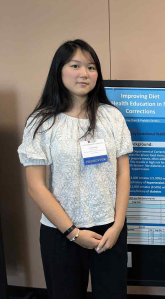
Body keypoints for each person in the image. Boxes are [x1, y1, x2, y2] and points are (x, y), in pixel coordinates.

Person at [17, 39, 133, 299]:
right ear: (59, 70)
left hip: (109, 230)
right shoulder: (41, 121)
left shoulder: (111, 116)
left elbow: (122, 173)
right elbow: (35, 186)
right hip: (60, 232)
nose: (84, 73)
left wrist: (117, 225)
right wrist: (72, 232)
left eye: (91, 67)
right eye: (75, 65)